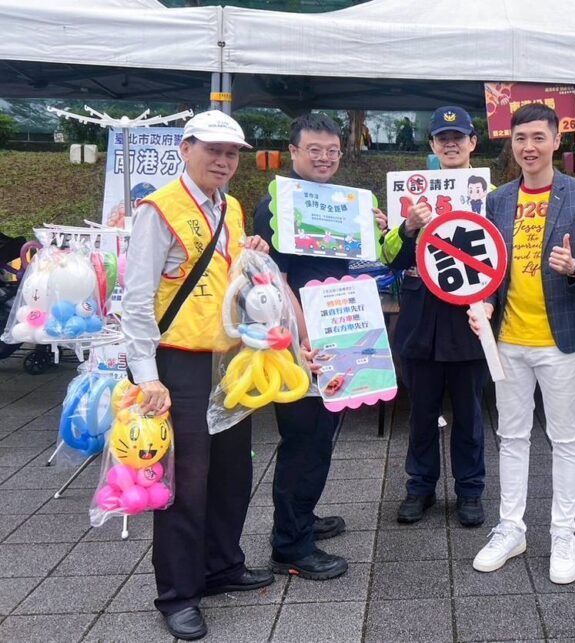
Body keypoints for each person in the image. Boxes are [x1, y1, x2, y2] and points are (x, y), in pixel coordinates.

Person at [121, 110, 273, 640]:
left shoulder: (229, 207)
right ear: (186, 148)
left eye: (232, 153)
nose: (224, 161)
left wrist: (250, 253)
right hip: (179, 365)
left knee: (232, 472)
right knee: (185, 483)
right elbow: (136, 302)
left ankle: (222, 565)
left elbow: (223, 277)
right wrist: (148, 377)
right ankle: (179, 593)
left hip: (229, 359)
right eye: (213, 150)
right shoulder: (158, 210)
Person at [468, 103, 575, 584]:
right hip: (507, 339)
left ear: (556, 141)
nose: (528, 147)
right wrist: (484, 302)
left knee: (565, 439)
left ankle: (562, 533)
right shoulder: (498, 200)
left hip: (561, 340)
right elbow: (488, 267)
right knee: (511, 436)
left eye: (538, 137)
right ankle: (511, 528)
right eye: (520, 138)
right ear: (512, 143)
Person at [252, 113, 387, 582]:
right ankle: (290, 546)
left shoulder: (339, 203)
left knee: (322, 437)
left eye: (332, 151)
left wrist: (375, 229)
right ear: (293, 152)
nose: (325, 158)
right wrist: (305, 338)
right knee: (303, 441)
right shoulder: (275, 205)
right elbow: (276, 278)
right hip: (300, 341)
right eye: (315, 150)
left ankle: (302, 520)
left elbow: (363, 261)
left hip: (339, 329)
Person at [380, 106, 489, 527]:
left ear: (472, 143)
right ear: (431, 145)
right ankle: (419, 488)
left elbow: (497, 261)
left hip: (468, 319)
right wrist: (407, 227)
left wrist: (489, 304)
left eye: (458, 137)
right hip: (420, 319)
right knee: (421, 412)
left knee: (470, 413)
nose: (450, 143)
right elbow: (389, 258)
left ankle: (470, 492)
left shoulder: (488, 195)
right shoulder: (408, 193)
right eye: (442, 137)